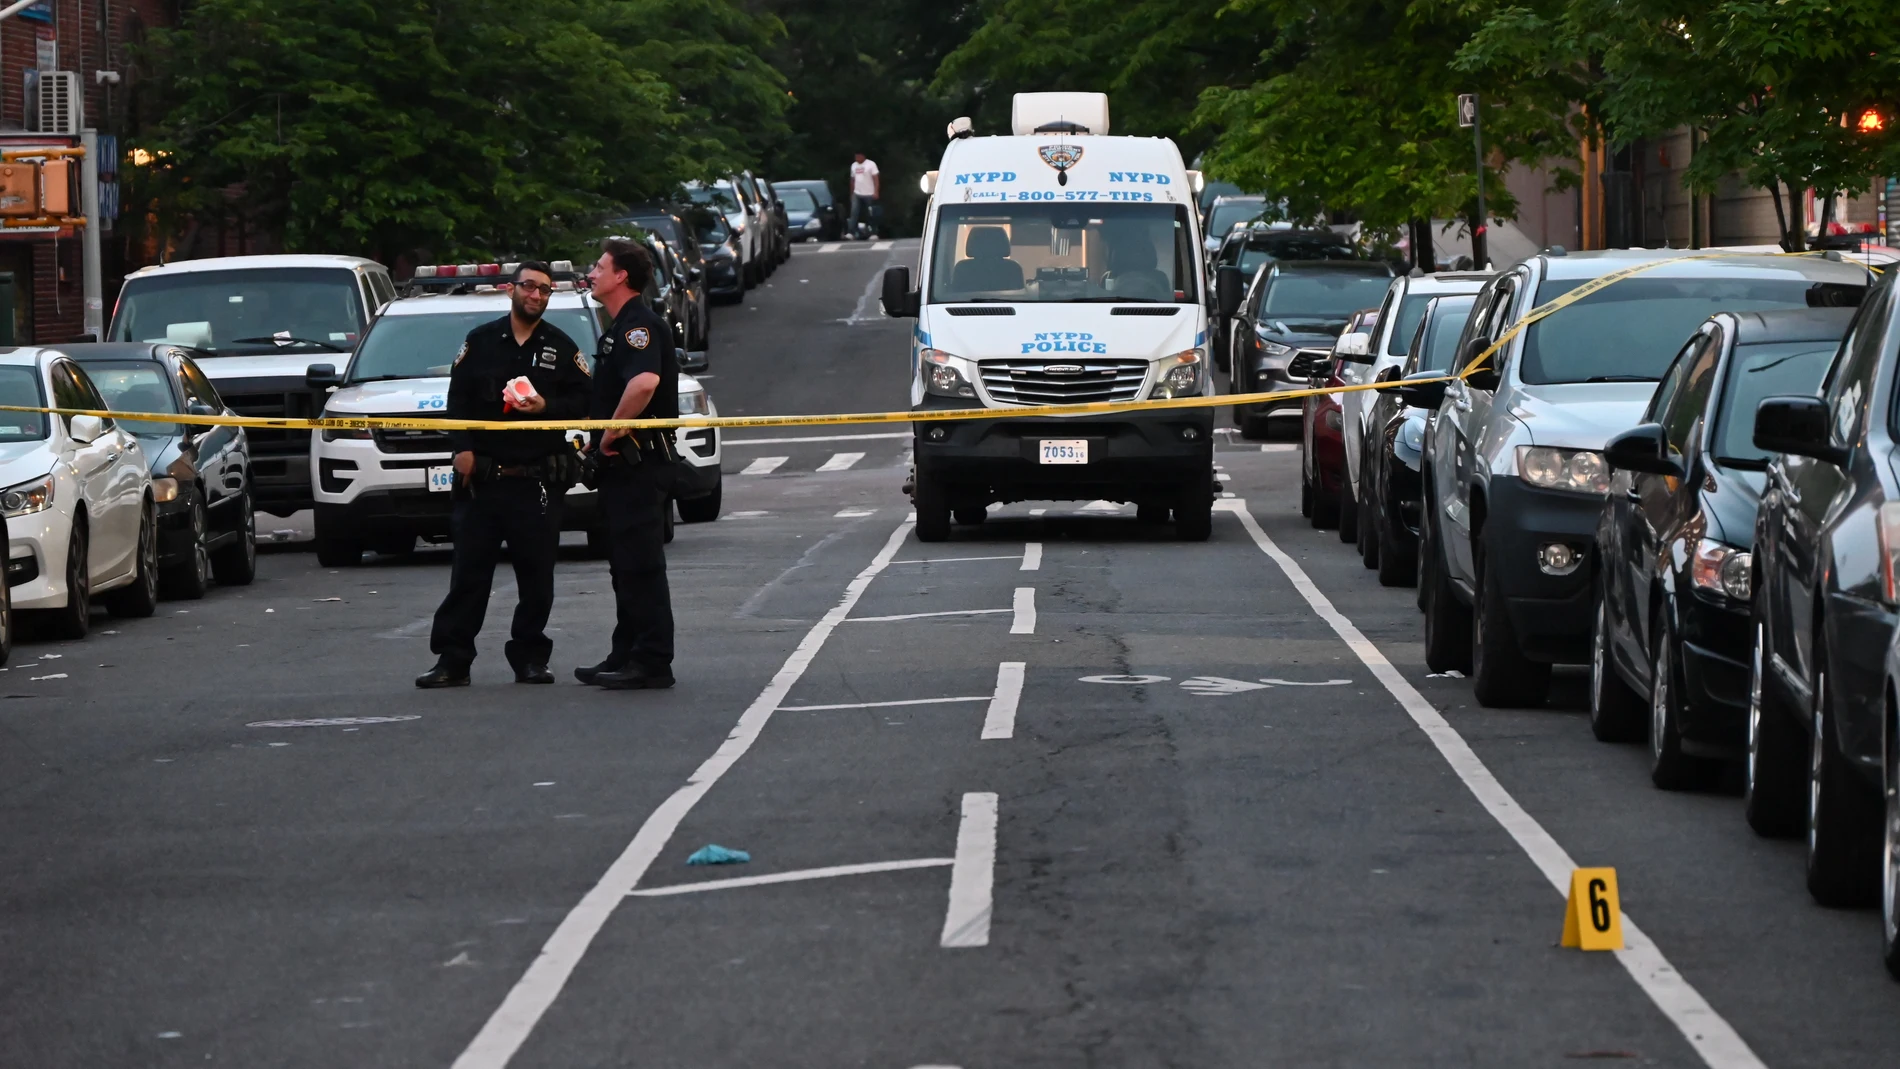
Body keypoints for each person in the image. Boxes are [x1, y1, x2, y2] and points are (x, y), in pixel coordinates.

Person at [416, 262, 592, 688]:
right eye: (529, 287)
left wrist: (546, 406)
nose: (536, 296)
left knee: (536, 578)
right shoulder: (480, 343)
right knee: (469, 576)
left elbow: (586, 399)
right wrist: (462, 450)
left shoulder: (561, 347)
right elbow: (457, 402)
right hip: (484, 481)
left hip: (536, 483)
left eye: (544, 291)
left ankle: (530, 657)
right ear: (511, 289)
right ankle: (453, 660)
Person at [575, 238, 679, 690]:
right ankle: (627, 650)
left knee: (640, 564)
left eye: (599, 267)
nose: (592, 273)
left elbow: (644, 383)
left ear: (621, 276)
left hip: (639, 463)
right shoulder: (616, 329)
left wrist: (612, 432)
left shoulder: (640, 326)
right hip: (621, 470)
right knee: (622, 564)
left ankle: (653, 660)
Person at [848, 152, 880, 239]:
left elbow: (876, 179)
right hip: (857, 193)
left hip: (869, 193)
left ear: (863, 156)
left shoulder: (871, 164)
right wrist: (851, 193)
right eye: (855, 157)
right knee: (854, 212)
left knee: (870, 213)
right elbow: (852, 180)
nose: (857, 158)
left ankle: (873, 232)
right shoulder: (853, 166)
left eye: (858, 156)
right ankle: (851, 232)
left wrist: (876, 191)